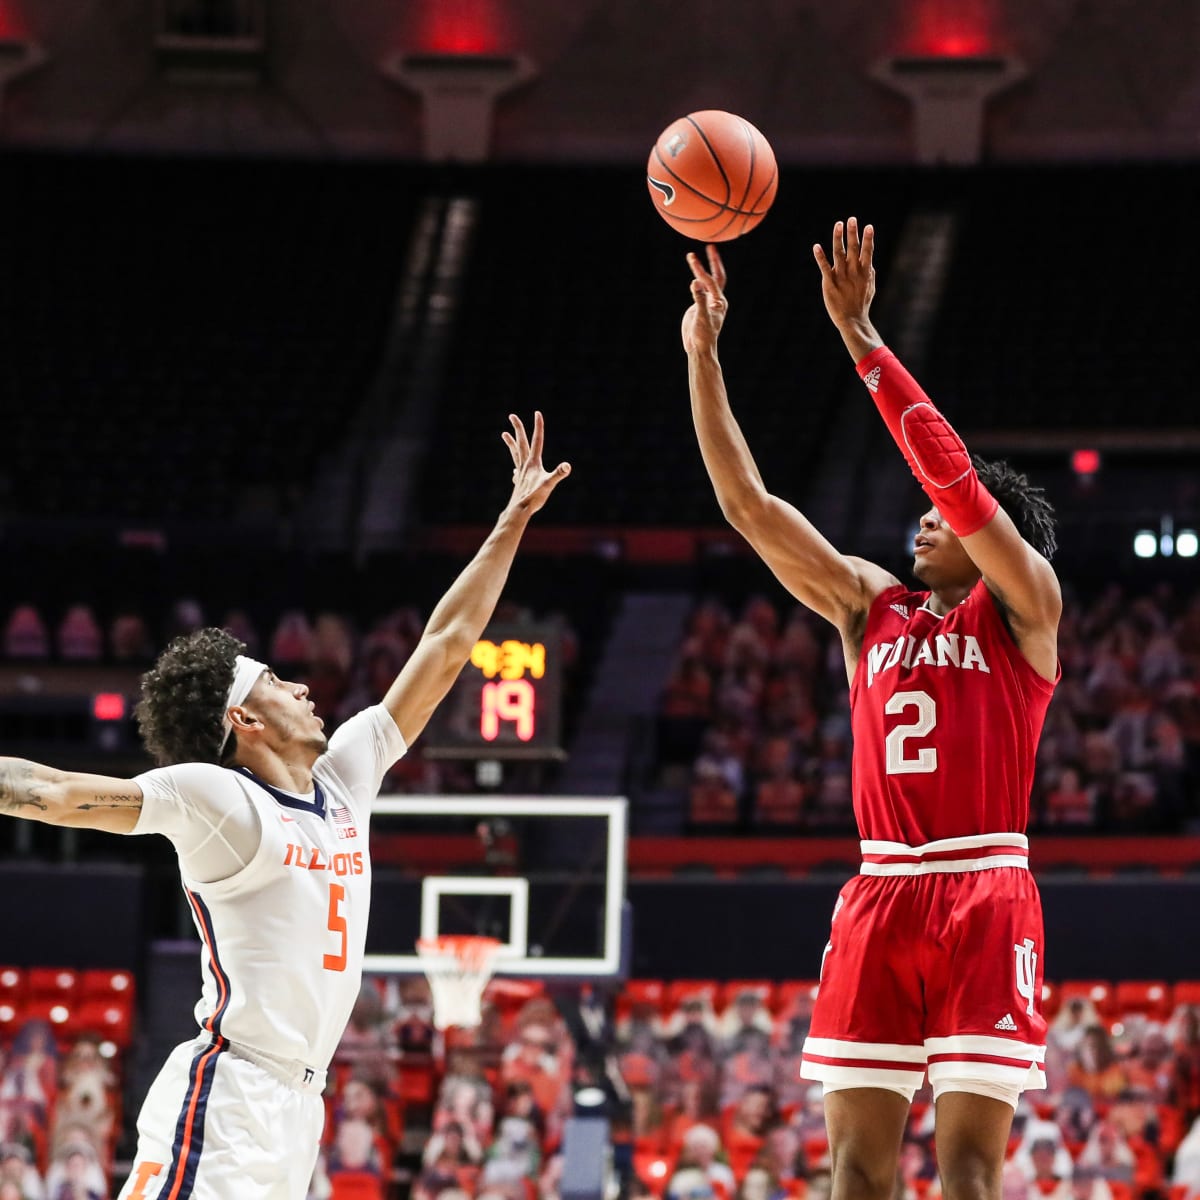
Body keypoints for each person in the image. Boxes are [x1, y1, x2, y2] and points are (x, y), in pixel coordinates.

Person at [0, 413, 570, 1200]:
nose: (303, 688)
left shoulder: (344, 780)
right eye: (276, 682)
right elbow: (54, 794)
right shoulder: (216, 796)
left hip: (300, 1110)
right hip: (228, 1095)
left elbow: (446, 643)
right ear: (244, 719)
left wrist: (512, 522)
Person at [682, 218, 1061, 1200]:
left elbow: (954, 478)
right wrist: (703, 358)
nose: (924, 518)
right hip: (882, 887)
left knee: (970, 1172)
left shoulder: (1025, 608)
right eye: (923, 518)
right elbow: (749, 508)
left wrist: (860, 336)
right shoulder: (867, 606)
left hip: (986, 887)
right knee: (855, 1170)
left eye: (946, 519)